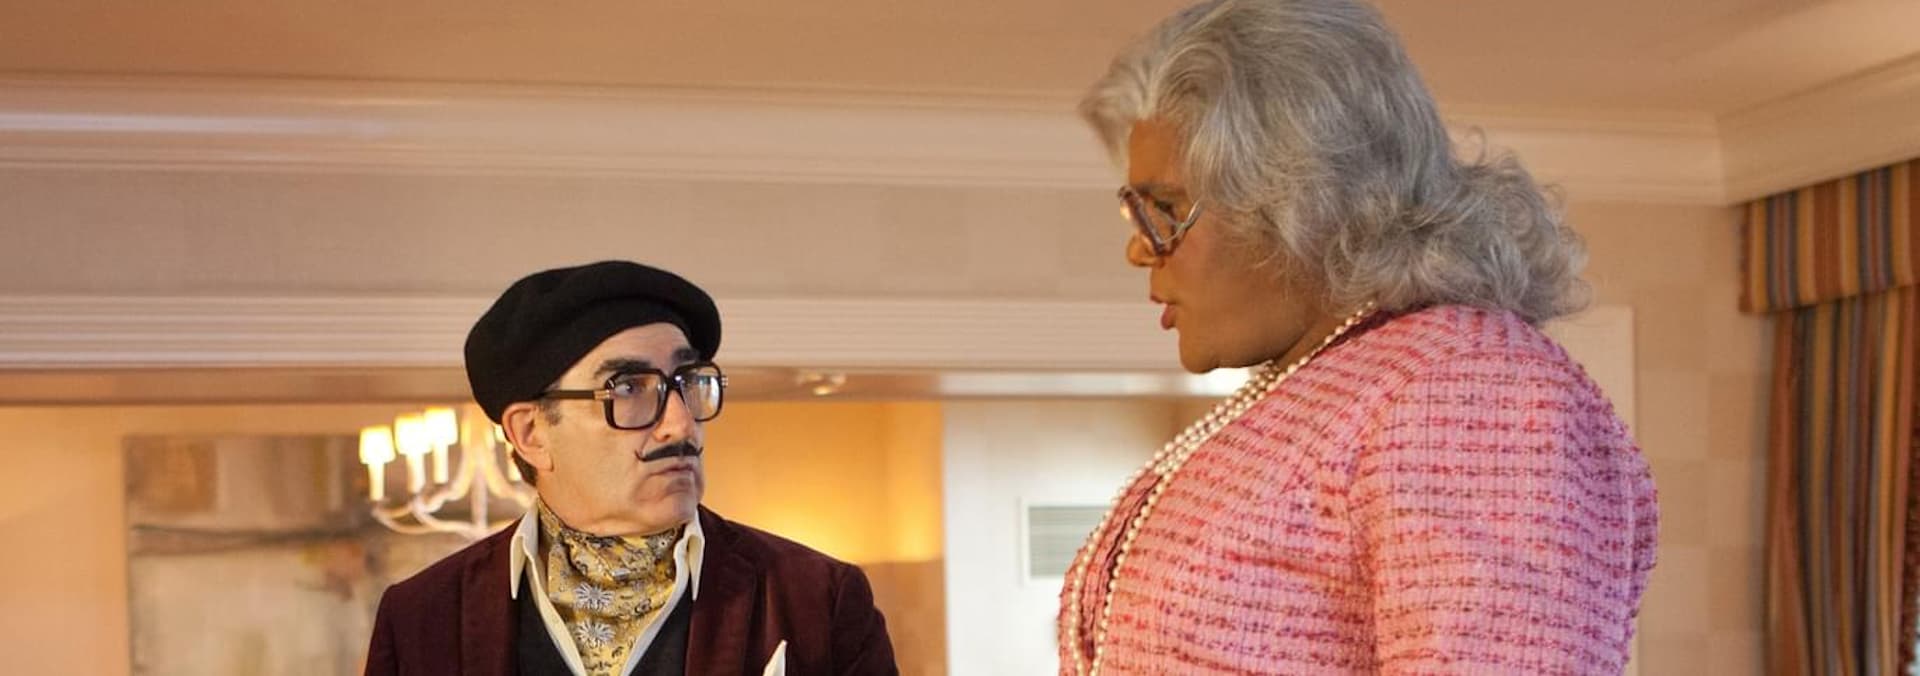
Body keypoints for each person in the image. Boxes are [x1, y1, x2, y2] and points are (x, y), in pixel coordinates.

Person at [1057, 0, 1658, 673]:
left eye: (1164, 208)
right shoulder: (1327, 386)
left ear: (1292, 195)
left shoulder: (1471, 390)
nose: (1140, 249)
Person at [365, 260, 897, 676]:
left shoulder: (816, 599)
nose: (681, 425)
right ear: (531, 434)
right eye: (628, 389)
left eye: (687, 383)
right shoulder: (421, 618)